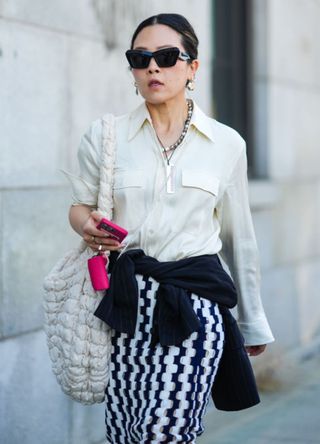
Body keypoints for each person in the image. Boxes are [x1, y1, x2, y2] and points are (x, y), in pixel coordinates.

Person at [65, 13, 274, 444]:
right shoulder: (106, 137)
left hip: (194, 307)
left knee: (165, 431)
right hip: (123, 308)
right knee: (126, 432)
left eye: (165, 56)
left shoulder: (227, 144)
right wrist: (86, 224)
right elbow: (79, 206)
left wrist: (252, 322)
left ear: (192, 67)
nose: (153, 67)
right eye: (141, 58)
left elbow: (240, 239)